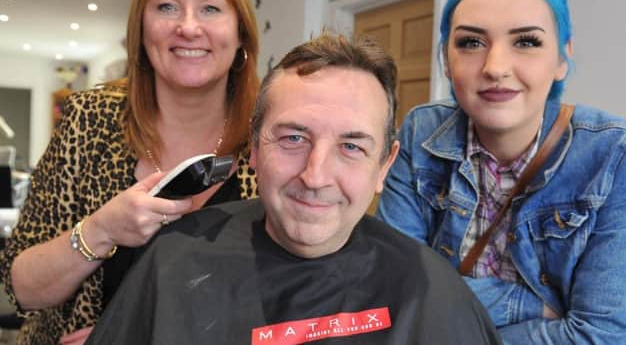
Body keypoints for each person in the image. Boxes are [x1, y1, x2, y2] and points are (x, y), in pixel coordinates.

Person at [85, 33, 502, 345]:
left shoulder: (431, 289)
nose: (315, 176)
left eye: (352, 146)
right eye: (292, 139)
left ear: (384, 167)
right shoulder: (174, 258)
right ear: (253, 148)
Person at [0, 0, 260, 345]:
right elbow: (21, 287)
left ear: (241, 32)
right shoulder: (88, 121)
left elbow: (292, 296)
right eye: (166, 7)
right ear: (141, 30)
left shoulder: (270, 140)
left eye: (210, 8)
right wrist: (101, 229)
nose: (188, 27)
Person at [377, 0, 626, 344]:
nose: (495, 67)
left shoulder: (618, 155)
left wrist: (449, 316)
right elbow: (392, 289)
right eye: (470, 42)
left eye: (526, 41)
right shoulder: (421, 132)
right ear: (445, 61)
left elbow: (603, 337)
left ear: (562, 58)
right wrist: (531, 307)